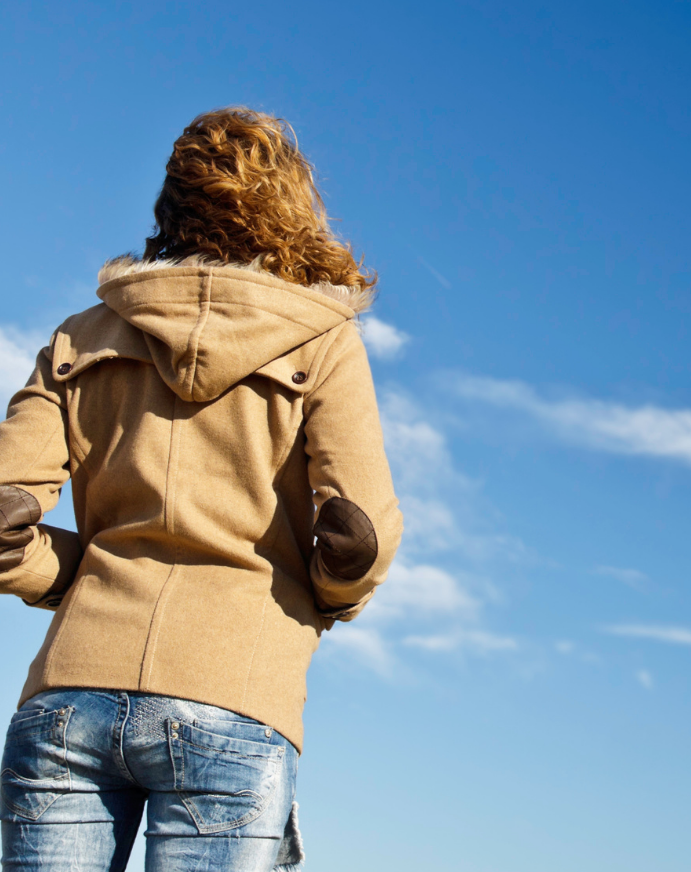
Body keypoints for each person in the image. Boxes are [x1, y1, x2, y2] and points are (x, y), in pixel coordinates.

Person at [0, 108, 403, 872]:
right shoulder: (321, 341)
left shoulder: (81, 336)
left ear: (172, 204)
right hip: (236, 690)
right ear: (293, 205)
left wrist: (77, 576)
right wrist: (316, 599)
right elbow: (359, 536)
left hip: (68, 695)